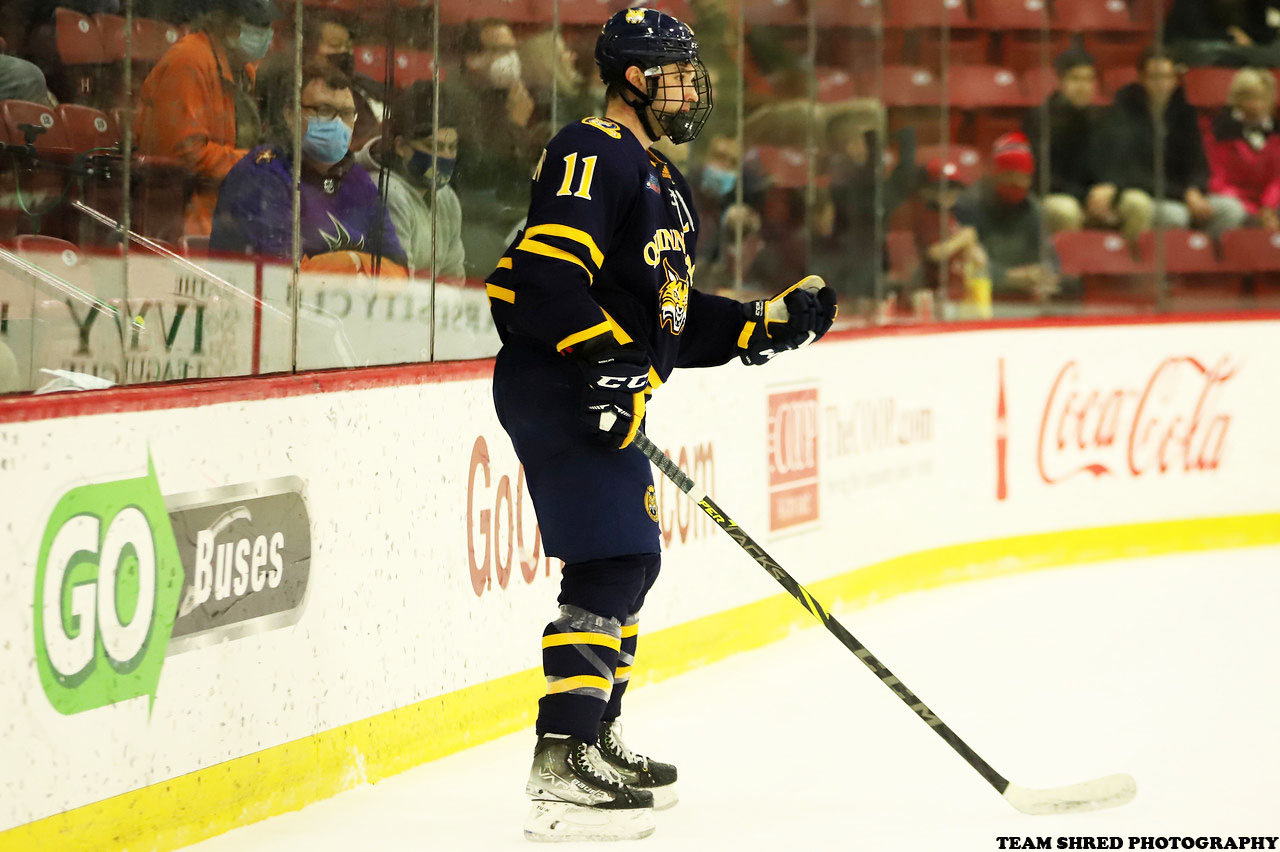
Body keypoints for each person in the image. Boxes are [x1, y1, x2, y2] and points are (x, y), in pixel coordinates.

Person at [485, 8, 837, 842]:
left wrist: (757, 323)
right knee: (614, 561)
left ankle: (596, 735)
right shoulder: (591, 150)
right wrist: (600, 356)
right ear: (635, 80)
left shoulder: (663, 182)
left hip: (600, 386)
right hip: (561, 383)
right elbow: (542, 278)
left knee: (630, 562)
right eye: (677, 76)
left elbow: (668, 317)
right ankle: (563, 755)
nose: (691, 92)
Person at [209, 61, 406, 273]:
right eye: (324, 110)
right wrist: (355, 264)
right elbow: (280, 275)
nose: (338, 123)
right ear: (290, 114)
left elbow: (399, 270)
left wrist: (351, 264)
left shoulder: (357, 178)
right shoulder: (262, 175)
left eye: (346, 114)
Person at [135, 0, 272, 237]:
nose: (266, 34)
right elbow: (185, 155)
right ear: (225, 24)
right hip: (184, 212)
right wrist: (254, 163)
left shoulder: (243, 70)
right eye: (256, 25)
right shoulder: (189, 60)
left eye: (267, 25)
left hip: (227, 204)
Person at [1086, 47, 1247, 241]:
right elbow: (1131, 172)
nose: (1161, 83)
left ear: (1175, 79)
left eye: (1166, 77)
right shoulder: (1124, 110)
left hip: (1183, 194)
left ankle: (1200, 253)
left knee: (1231, 210)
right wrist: (1184, 194)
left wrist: (1194, 188)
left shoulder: (1185, 111)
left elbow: (1197, 160)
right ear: (1142, 78)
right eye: (1154, 77)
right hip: (1147, 193)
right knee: (1175, 216)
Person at [442, 18, 542, 277]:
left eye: (513, 49)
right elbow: (478, 172)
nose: (511, 59)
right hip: (470, 217)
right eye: (501, 50)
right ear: (472, 59)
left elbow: (517, 183)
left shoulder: (503, 97)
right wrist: (515, 126)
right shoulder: (454, 99)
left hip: (504, 213)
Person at [354, 82, 464, 281]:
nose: (445, 156)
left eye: (452, 147)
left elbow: (453, 276)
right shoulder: (385, 192)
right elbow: (397, 284)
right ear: (401, 146)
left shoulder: (446, 197)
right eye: (434, 146)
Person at [954, 133, 1062, 302]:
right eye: (1010, 174)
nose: (1017, 182)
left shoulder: (1033, 209)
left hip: (1025, 298)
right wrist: (1008, 277)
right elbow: (964, 263)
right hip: (980, 297)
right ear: (995, 174)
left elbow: (1050, 260)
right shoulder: (968, 205)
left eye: (1023, 176)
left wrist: (1043, 275)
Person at [255, 13, 384, 152]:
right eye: (335, 45)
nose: (344, 52)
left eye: (348, 46)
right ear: (309, 48)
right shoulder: (290, 84)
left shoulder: (360, 87)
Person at [1022, 48, 1106, 233]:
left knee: (1136, 203)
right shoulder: (1040, 119)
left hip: (1092, 196)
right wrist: (1085, 196)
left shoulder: (1100, 118)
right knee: (1067, 210)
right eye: (1075, 79)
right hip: (1053, 195)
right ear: (1060, 81)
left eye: (1088, 79)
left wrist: (1109, 189)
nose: (1083, 87)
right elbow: (1042, 176)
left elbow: (1111, 163)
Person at [1205, 68, 1280, 229]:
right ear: (1237, 99)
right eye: (1248, 97)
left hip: (1270, 204)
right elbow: (1217, 181)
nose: (1255, 104)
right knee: (1231, 210)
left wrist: (1268, 206)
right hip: (1235, 201)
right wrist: (1253, 210)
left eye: (1261, 97)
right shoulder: (1220, 131)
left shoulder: (1276, 132)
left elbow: (1278, 179)